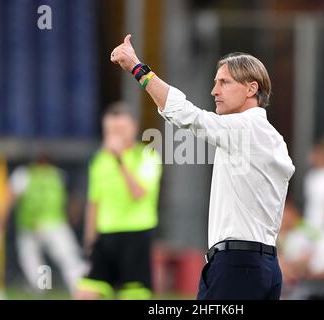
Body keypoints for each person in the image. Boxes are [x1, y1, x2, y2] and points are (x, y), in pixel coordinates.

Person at [110, 34, 295, 299]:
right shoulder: (269, 136)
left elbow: (187, 115)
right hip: (262, 267)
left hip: (236, 266)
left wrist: (138, 69)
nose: (214, 91)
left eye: (224, 82)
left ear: (251, 89)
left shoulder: (245, 129)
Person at [75, 102, 162, 300]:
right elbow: (93, 202)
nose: (114, 135)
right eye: (110, 130)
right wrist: (90, 240)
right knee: (85, 293)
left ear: (133, 128)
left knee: (133, 296)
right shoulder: (100, 160)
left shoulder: (147, 156)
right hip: (105, 237)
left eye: (120, 129)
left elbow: (138, 193)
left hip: (135, 235)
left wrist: (120, 160)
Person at [1, 153, 87, 295]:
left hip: (31, 224)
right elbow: (74, 199)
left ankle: (43, 287)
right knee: (68, 257)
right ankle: (80, 287)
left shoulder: (24, 174)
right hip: (54, 224)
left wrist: (3, 219)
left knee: (33, 260)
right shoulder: (58, 175)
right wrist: (74, 216)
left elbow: (10, 197)